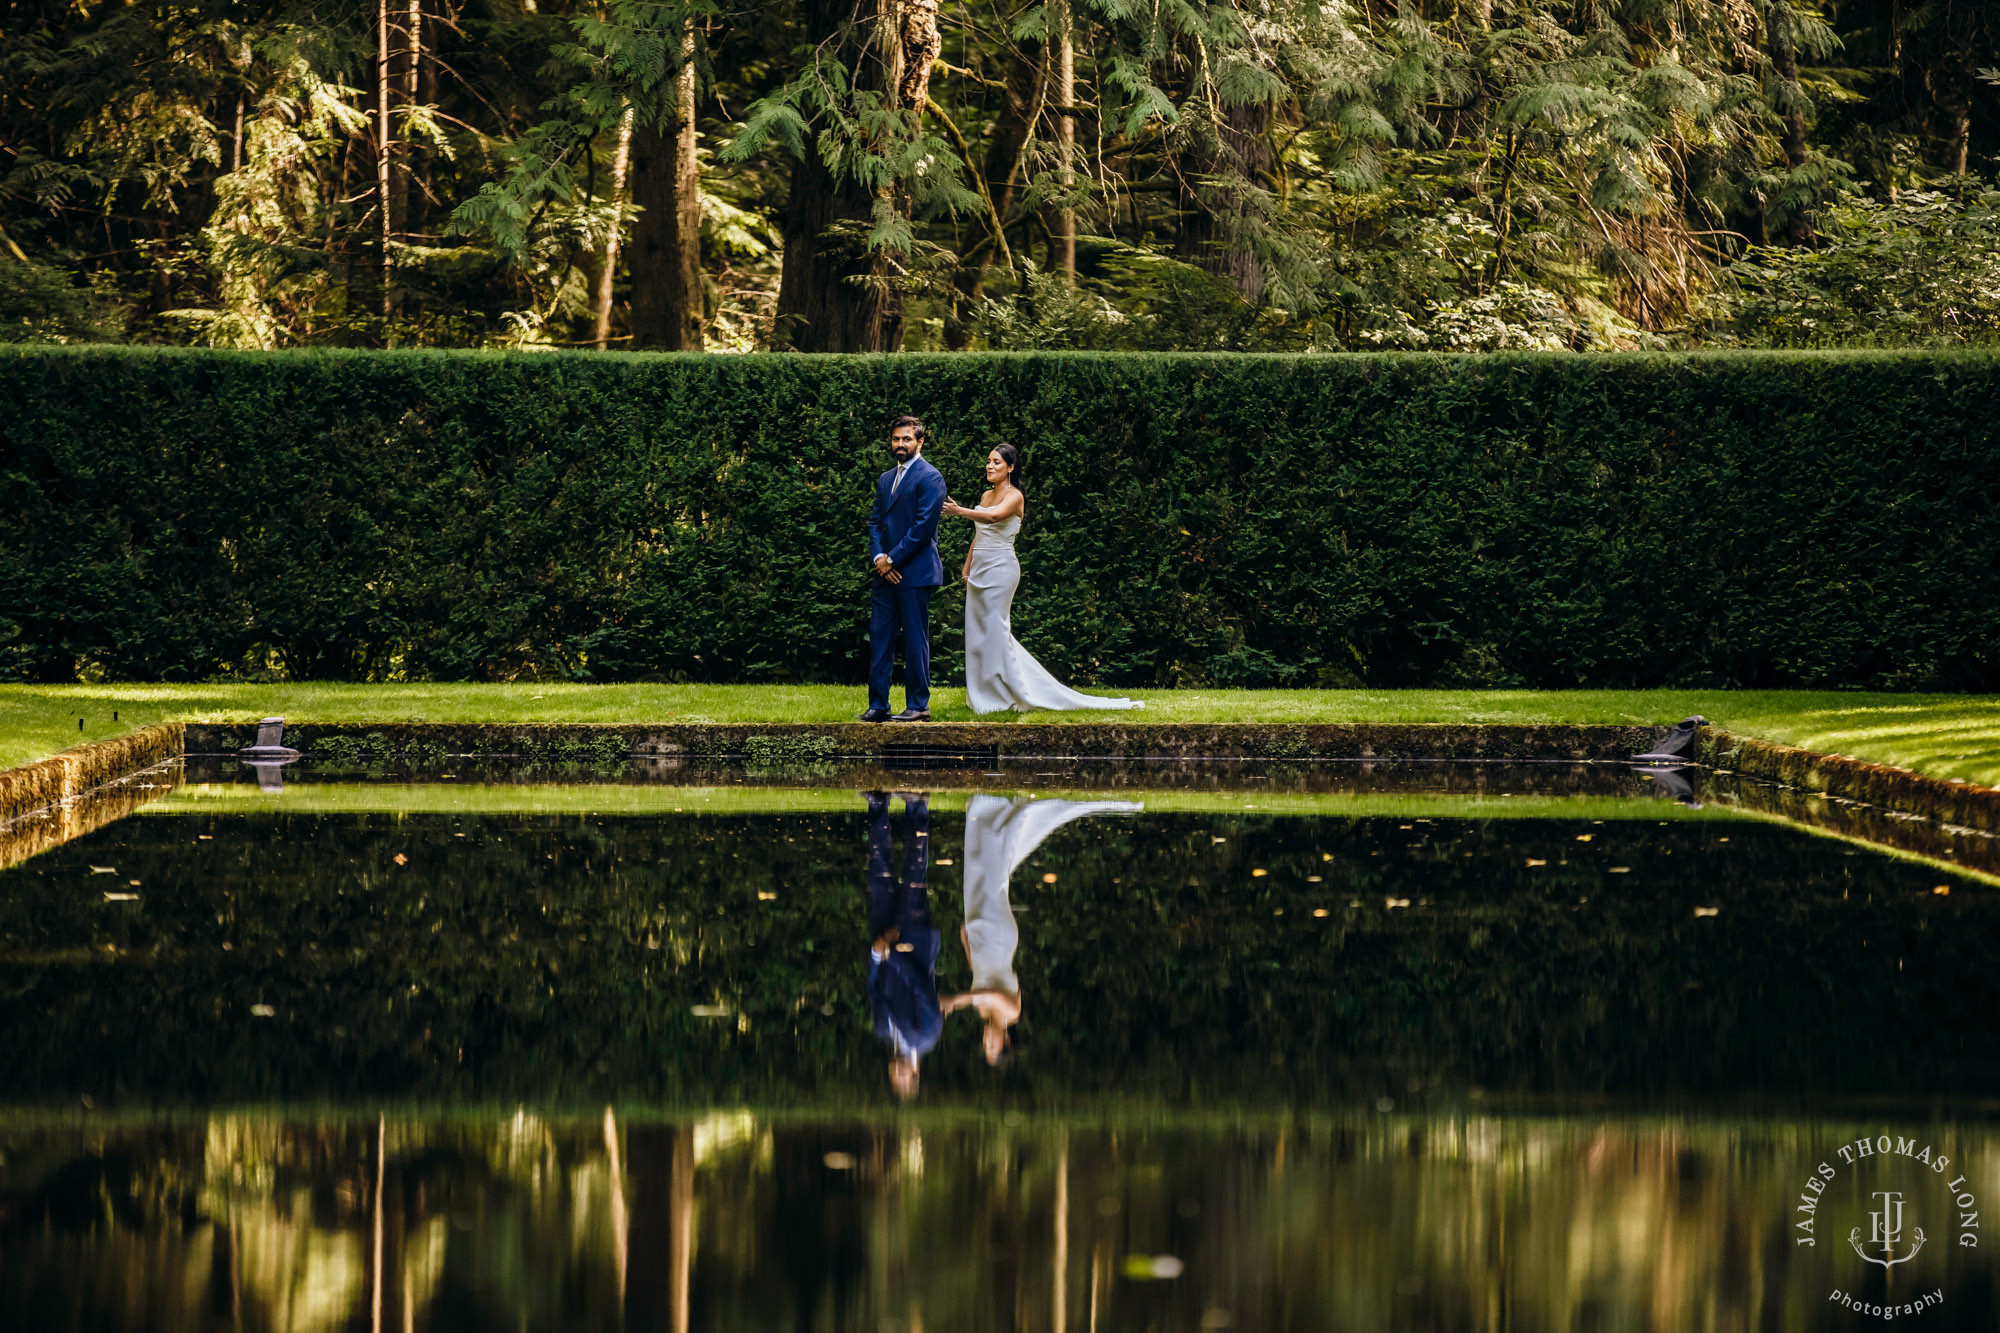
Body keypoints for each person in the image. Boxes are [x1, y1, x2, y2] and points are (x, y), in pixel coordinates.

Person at [942, 445, 1145, 714]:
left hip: (1001, 569)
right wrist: (967, 567)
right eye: (988, 462)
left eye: (996, 462)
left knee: (996, 629)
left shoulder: (1015, 497)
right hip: (979, 568)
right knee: (979, 633)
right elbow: (979, 535)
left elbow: (992, 518)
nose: (990, 466)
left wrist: (960, 512)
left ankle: (1015, 690)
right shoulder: (985, 494)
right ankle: (986, 691)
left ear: (1010, 467)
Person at [942, 794, 1141, 1065]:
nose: (986, 1040)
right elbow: (989, 992)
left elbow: (979, 976)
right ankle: (1005, 818)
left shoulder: (982, 1013)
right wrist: (956, 1000)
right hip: (998, 939)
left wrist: (966, 944)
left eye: (984, 1045)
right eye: (992, 1045)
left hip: (979, 941)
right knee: (992, 880)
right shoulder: (1011, 1012)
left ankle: (985, 818)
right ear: (1007, 1040)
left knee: (978, 876)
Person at [861, 415, 947, 723]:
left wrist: (892, 560)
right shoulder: (886, 479)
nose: (900, 444)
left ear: (920, 442)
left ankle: (918, 705)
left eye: (907, 439)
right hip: (885, 573)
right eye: (896, 439)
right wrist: (879, 560)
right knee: (880, 637)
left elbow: (923, 528)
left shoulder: (931, 477)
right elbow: (874, 523)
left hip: (916, 572)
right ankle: (878, 705)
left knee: (914, 640)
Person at [863, 790, 941, 1098]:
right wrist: (892, 954)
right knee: (913, 874)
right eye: (904, 1076)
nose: (896, 1072)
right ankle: (917, 806)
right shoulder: (927, 1035)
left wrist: (875, 953)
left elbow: (873, 987)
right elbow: (921, 987)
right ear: (916, 1071)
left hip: (882, 941)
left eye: (894, 1077)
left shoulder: (883, 1031)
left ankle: (878, 806)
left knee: (879, 873)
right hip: (913, 940)